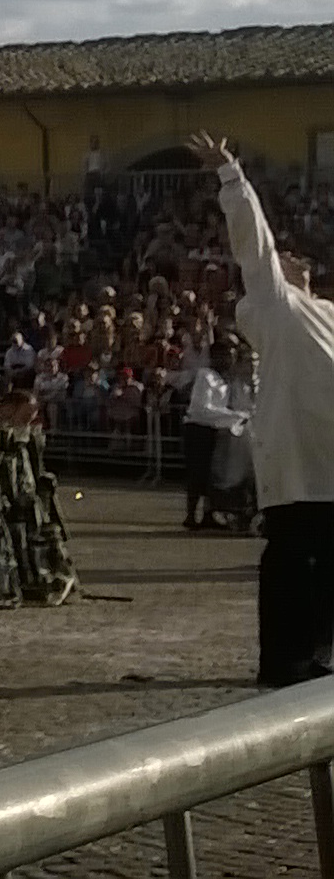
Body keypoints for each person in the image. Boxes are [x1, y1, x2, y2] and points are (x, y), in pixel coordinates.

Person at [194, 131, 334, 687]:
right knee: (294, 563)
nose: (295, 260)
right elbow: (256, 244)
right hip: (299, 459)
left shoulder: (324, 312)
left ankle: (321, 652)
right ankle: (284, 662)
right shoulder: (277, 306)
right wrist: (233, 177)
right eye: (289, 260)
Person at [184, 336, 248, 531]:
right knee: (197, 472)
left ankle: (208, 514)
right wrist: (236, 416)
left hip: (217, 429)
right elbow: (202, 408)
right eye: (225, 356)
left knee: (213, 474)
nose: (229, 361)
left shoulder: (227, 380)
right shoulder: (206, 376)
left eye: (231, 357)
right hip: (198, 428)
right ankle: (190, 514)